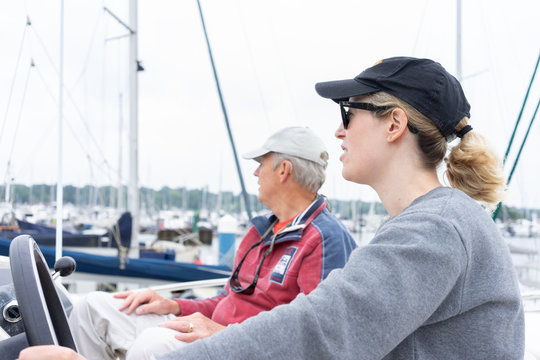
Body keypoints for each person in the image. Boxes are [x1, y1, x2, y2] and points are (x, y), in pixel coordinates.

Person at [18, 56, 525, 360]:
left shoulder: (436, 230)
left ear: (394, 125)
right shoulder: (437, 225)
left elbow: (323, 330)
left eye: (350, 112)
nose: (339, 130)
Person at [62, 126, 357, 360]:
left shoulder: (324, 239)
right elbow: (228, 300)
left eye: (261, 163)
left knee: (154, 345)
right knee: (93, 307)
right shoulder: (261, 232)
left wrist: (225, 333)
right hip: (211, 331)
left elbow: (317, 336)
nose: (255, 173)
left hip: (245, 348)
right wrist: (174, 305)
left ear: (284, 170)